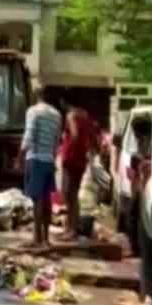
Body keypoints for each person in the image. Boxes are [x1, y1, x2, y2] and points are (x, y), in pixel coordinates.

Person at [18, 86, 62, 248]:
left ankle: (37, 239)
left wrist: (20, 157)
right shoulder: (57, 115)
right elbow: (57, 139)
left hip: (35, 158)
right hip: (49, 160)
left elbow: (28, 135)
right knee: (46, 198)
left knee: (37, 199)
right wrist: (52, 157)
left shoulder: (33, 111)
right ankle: (46, 239)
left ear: (38, 95)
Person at [58, 94, 94, 242]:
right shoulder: (85, 115)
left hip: (72, 160)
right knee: (73, 194)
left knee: (69, 194)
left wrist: (68, 154)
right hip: (80, 160)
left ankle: (72, 230)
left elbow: (74, 134)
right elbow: (91, 137)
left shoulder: (71, 115)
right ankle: (70, 228)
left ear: (67, 103)